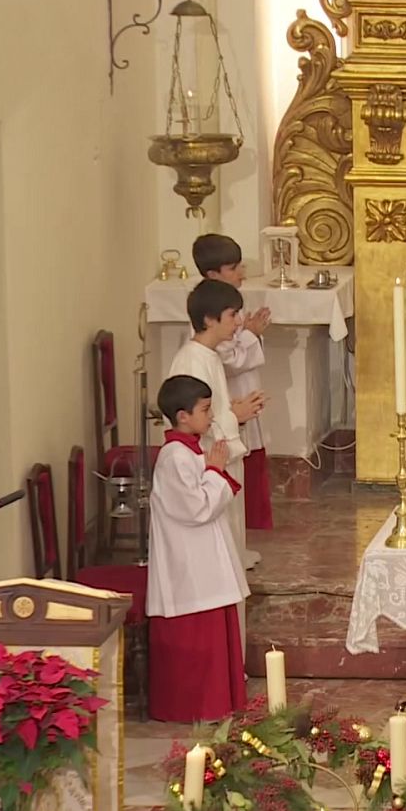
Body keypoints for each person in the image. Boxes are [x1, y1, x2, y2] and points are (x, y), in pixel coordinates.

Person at [145, 374, 250, 722]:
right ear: (182, 416)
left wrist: (211, 468)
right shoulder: (174, 457)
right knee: (197, 634)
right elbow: (195, 508)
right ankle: (195, 706)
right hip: (187, 566)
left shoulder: (187, 451)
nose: (210, 416)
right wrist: (215, 471)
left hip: (202, 561)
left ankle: (218, 703)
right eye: (205, 410)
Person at [168, 279, 265, 574]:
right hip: (206, 469)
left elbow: (209, 409)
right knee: (219, 557)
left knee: (232, 543)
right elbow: (192, 424)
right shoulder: (192, 361)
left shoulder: (207, 356)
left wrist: (234, 409)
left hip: (221, 463)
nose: (238, 323)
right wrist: (235, 415)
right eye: (232, 315)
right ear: (210, 319)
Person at [193, 233, 274, 550]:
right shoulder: (208, 310)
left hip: (240, 402)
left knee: (247, 464)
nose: (241, 272)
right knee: (235, 470)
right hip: (228, 405)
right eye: (233, 267)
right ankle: (233, 549)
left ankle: (239, 547)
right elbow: (226, 359)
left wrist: (248, 332)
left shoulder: (228, 304)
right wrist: (251, 334)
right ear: (213, 274)